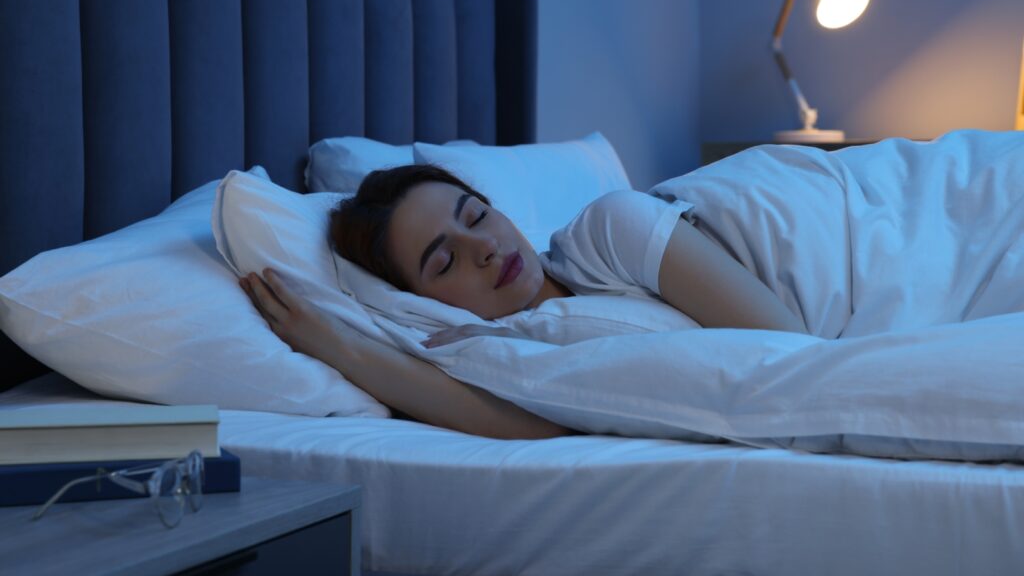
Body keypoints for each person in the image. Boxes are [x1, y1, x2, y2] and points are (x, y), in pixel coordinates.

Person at [239, 165, 807, 439]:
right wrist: (344, 349)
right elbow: (542, 434)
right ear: (418, 301)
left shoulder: (615, 228)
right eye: (445, 261)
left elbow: (802, 362)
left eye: (477, 216)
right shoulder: (513, 353)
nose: (485, 248)